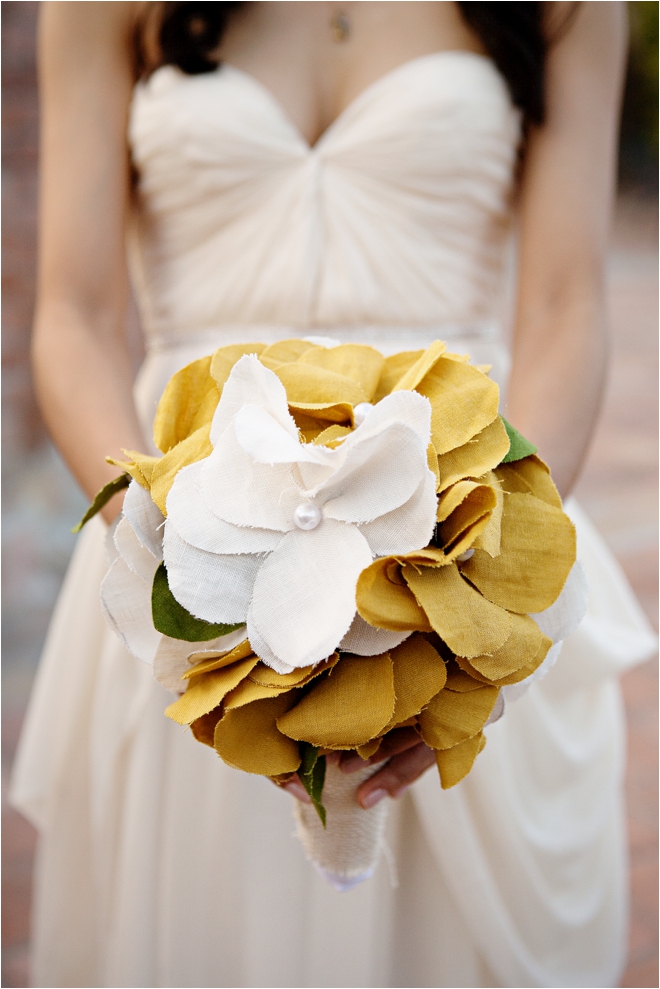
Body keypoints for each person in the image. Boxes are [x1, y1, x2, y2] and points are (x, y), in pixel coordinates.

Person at [10, 2, 656, 986]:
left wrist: (467, 595)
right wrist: (173, 556)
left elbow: (568, 306)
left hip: (459, 543)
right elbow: (74, 315)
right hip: (183, 558)